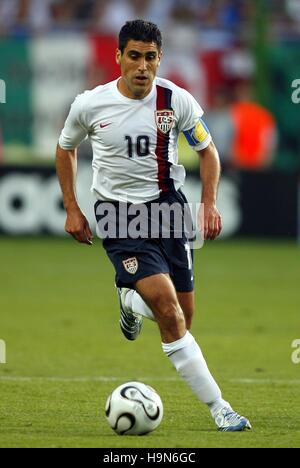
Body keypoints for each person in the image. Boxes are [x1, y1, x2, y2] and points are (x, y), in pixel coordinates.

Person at [56, 19, 251, 432]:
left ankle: (129, 302)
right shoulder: (90, 104)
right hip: (119, 215)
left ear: (159, 58)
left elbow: (208, 151)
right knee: (169, 313)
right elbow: (66, 148)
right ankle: (221, 408)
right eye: (134, 56)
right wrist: (72, 207)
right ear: (119, 57)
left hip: (167, 209)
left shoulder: (175, 100)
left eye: (150, 57)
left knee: (183, 318)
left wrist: (209, 204)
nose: (142, 66)